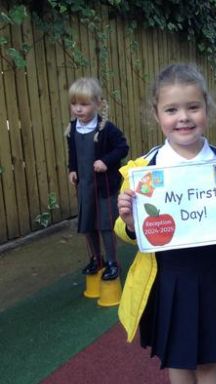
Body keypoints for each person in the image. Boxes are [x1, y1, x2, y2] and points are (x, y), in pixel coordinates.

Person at [115, 64, 216, 384]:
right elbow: (126, 230)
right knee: (178, 359)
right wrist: (129, 222)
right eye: (171, 110)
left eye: (193, 107)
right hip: (169, 280)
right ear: (156, 114)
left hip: (215, 276)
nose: (183, 117)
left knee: (209, 360)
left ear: (207, 110)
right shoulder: (143, 171)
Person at [65, 77, 129, 281]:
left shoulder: (106, 129)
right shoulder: (73, 128)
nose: (78, 109)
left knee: (105, 225)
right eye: (74, 104)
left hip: (104, 187)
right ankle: (96, 259)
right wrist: (72, 169)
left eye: (84, 104)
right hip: (84, 186)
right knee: (88, 224)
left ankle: (112, 262)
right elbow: (73, 152)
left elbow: (122, 148)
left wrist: (106, 161)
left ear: (97, 104)